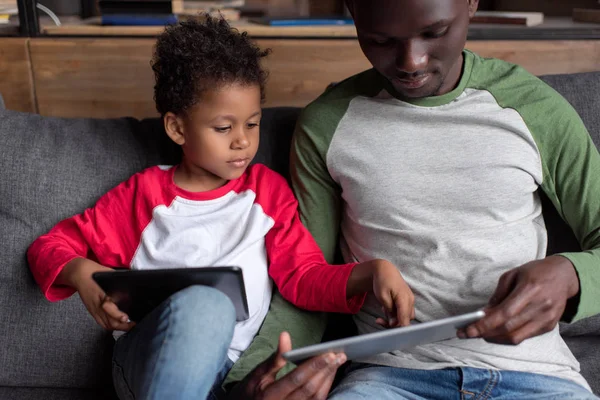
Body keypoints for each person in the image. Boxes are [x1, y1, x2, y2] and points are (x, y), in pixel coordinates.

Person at [26, 15, 416, 400]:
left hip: (235, 375)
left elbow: (303, 277)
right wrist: (82, 274)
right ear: (178, 128)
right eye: (224, 128)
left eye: (252, 123)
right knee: (207, 302)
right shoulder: (143, 198)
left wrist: (372, 272)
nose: (243, 142)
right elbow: (48, 248)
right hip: (151, 363)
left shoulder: (267, 192)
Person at [236, 0, 600, 398]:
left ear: (471, 4)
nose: (411, 61)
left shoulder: (534, 108)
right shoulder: (326, 124)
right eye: (381, 40)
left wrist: (573, 274)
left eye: (434, 33)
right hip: (389, 377)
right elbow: (308, 279)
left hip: (536, 377)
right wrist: (257, 376)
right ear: (354, 13)